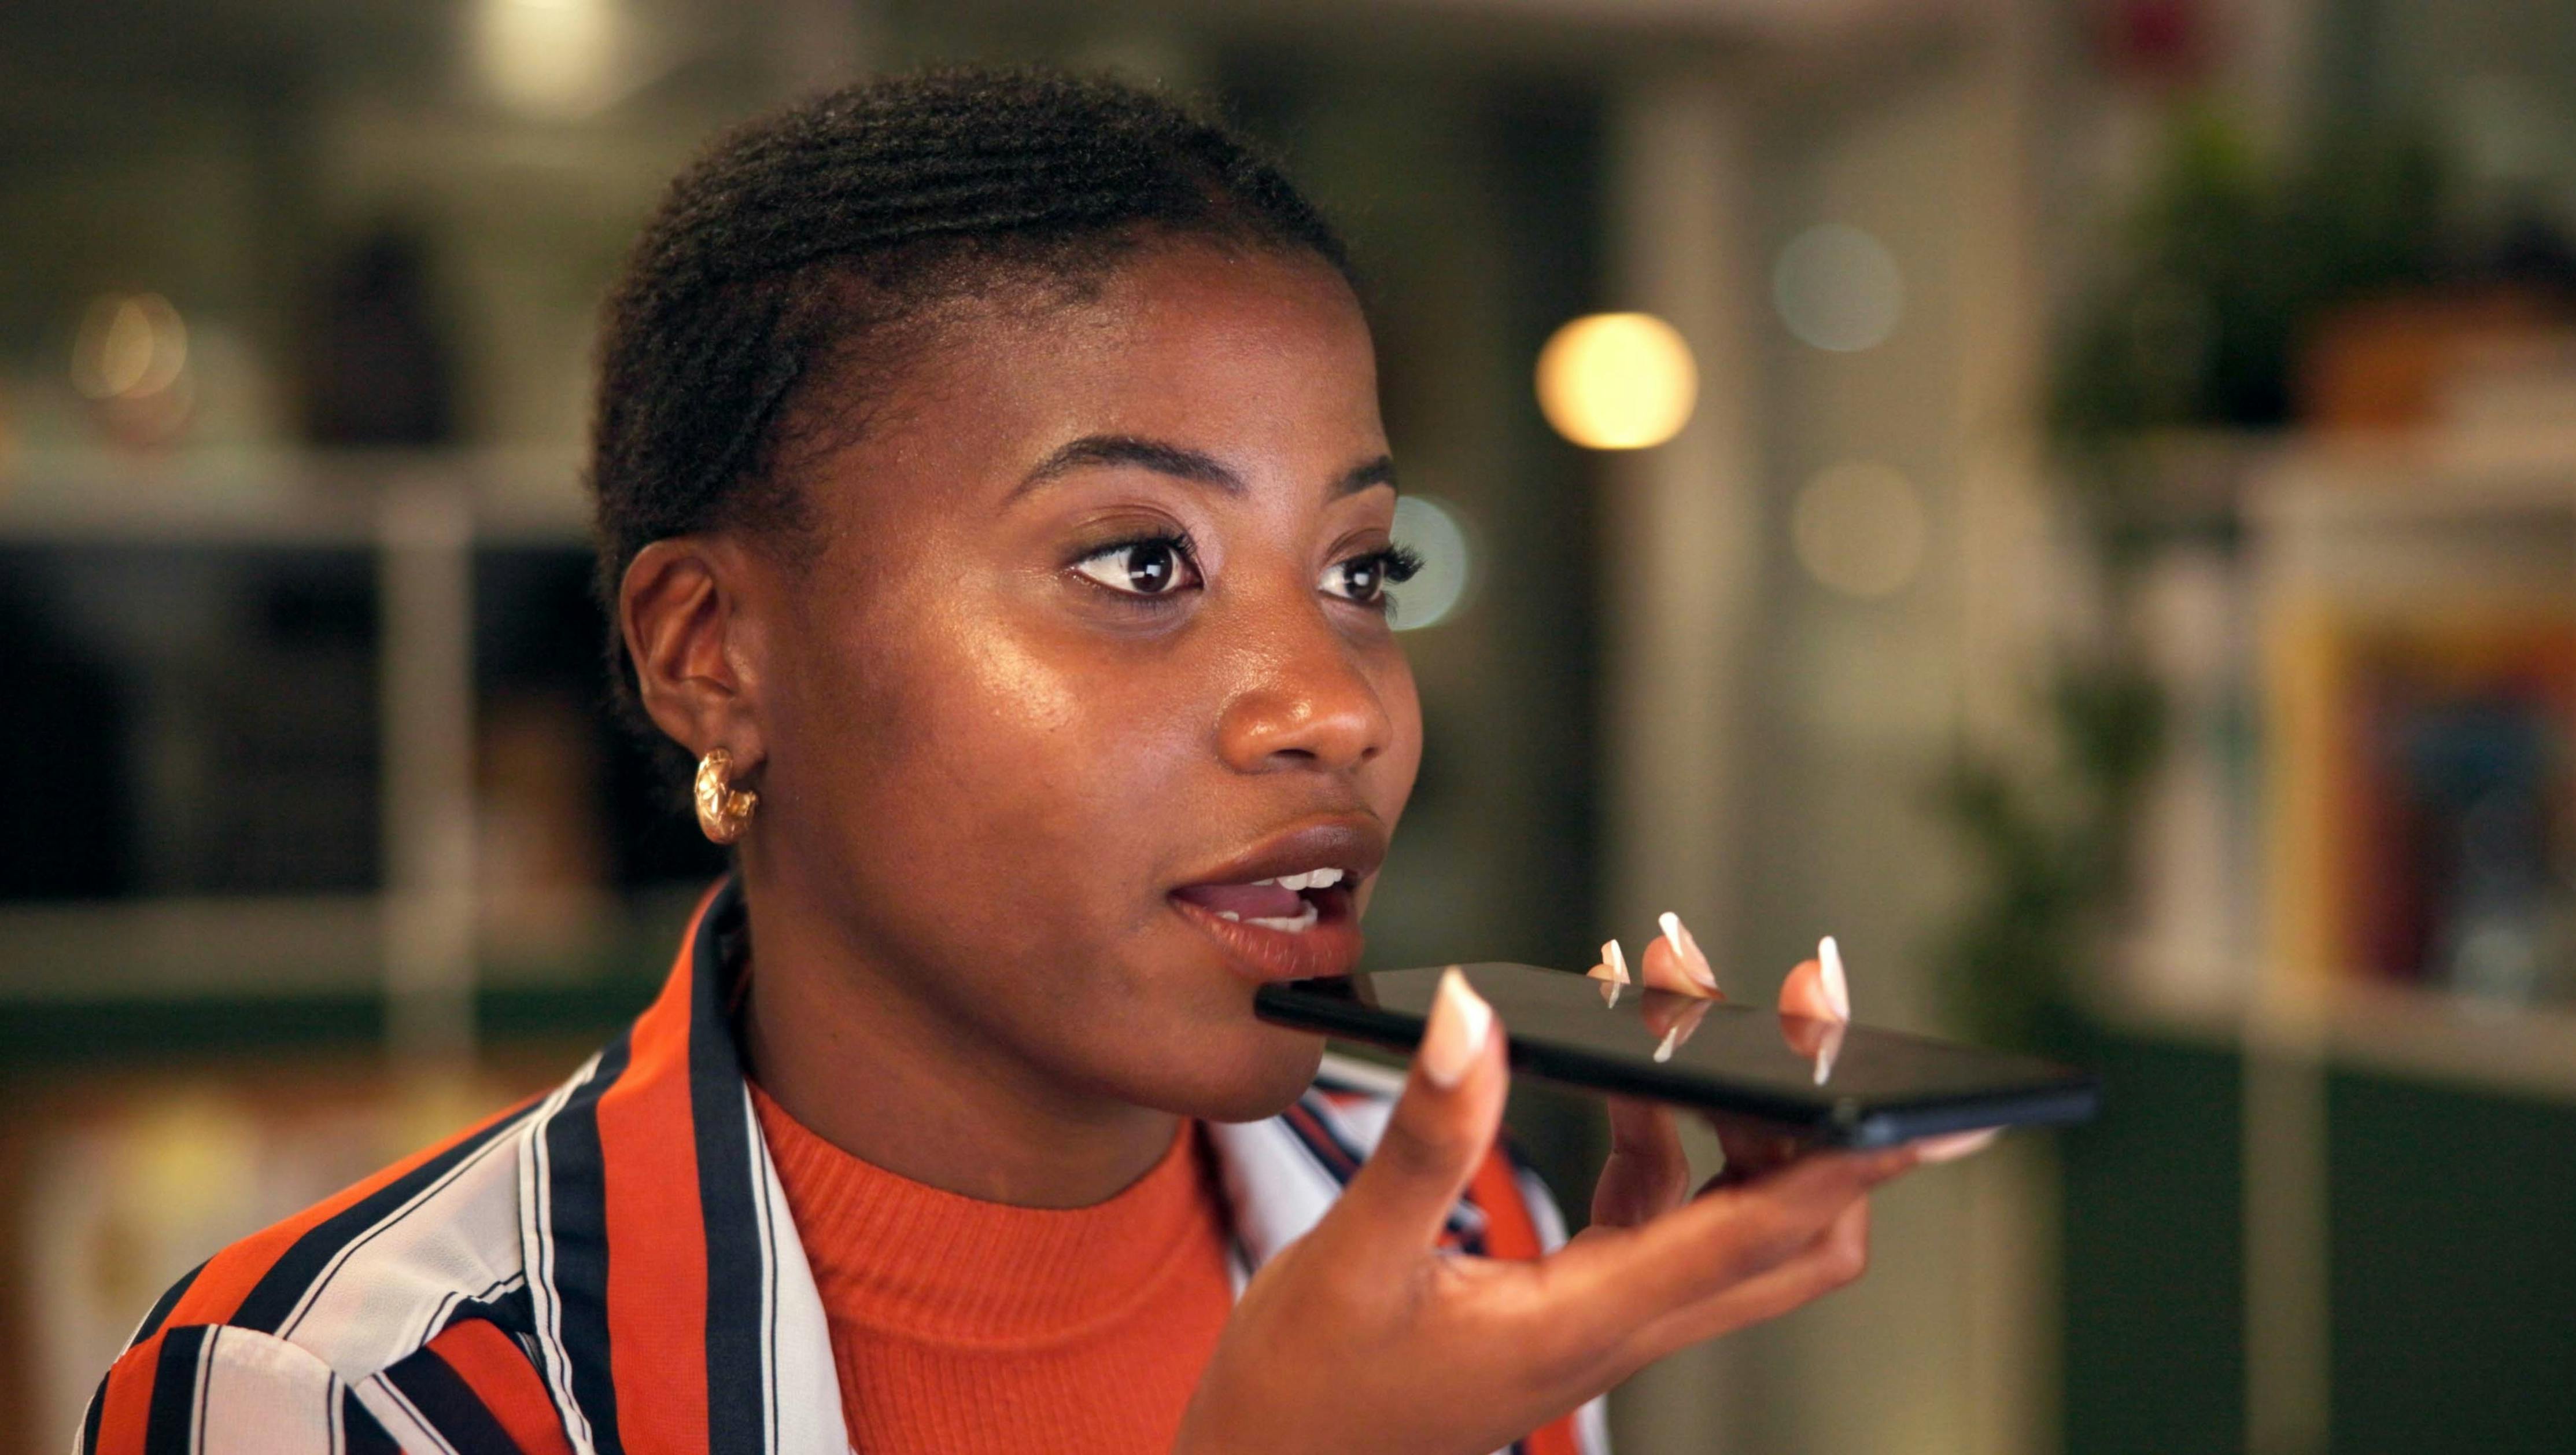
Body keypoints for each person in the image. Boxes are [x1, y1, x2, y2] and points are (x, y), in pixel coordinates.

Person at [78, 68, 1983, 1455]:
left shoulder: (1466, 1246)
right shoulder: (353, 1394)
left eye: (1362, 568)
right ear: (711, 655)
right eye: (1142, 562)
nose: (1334, 701)